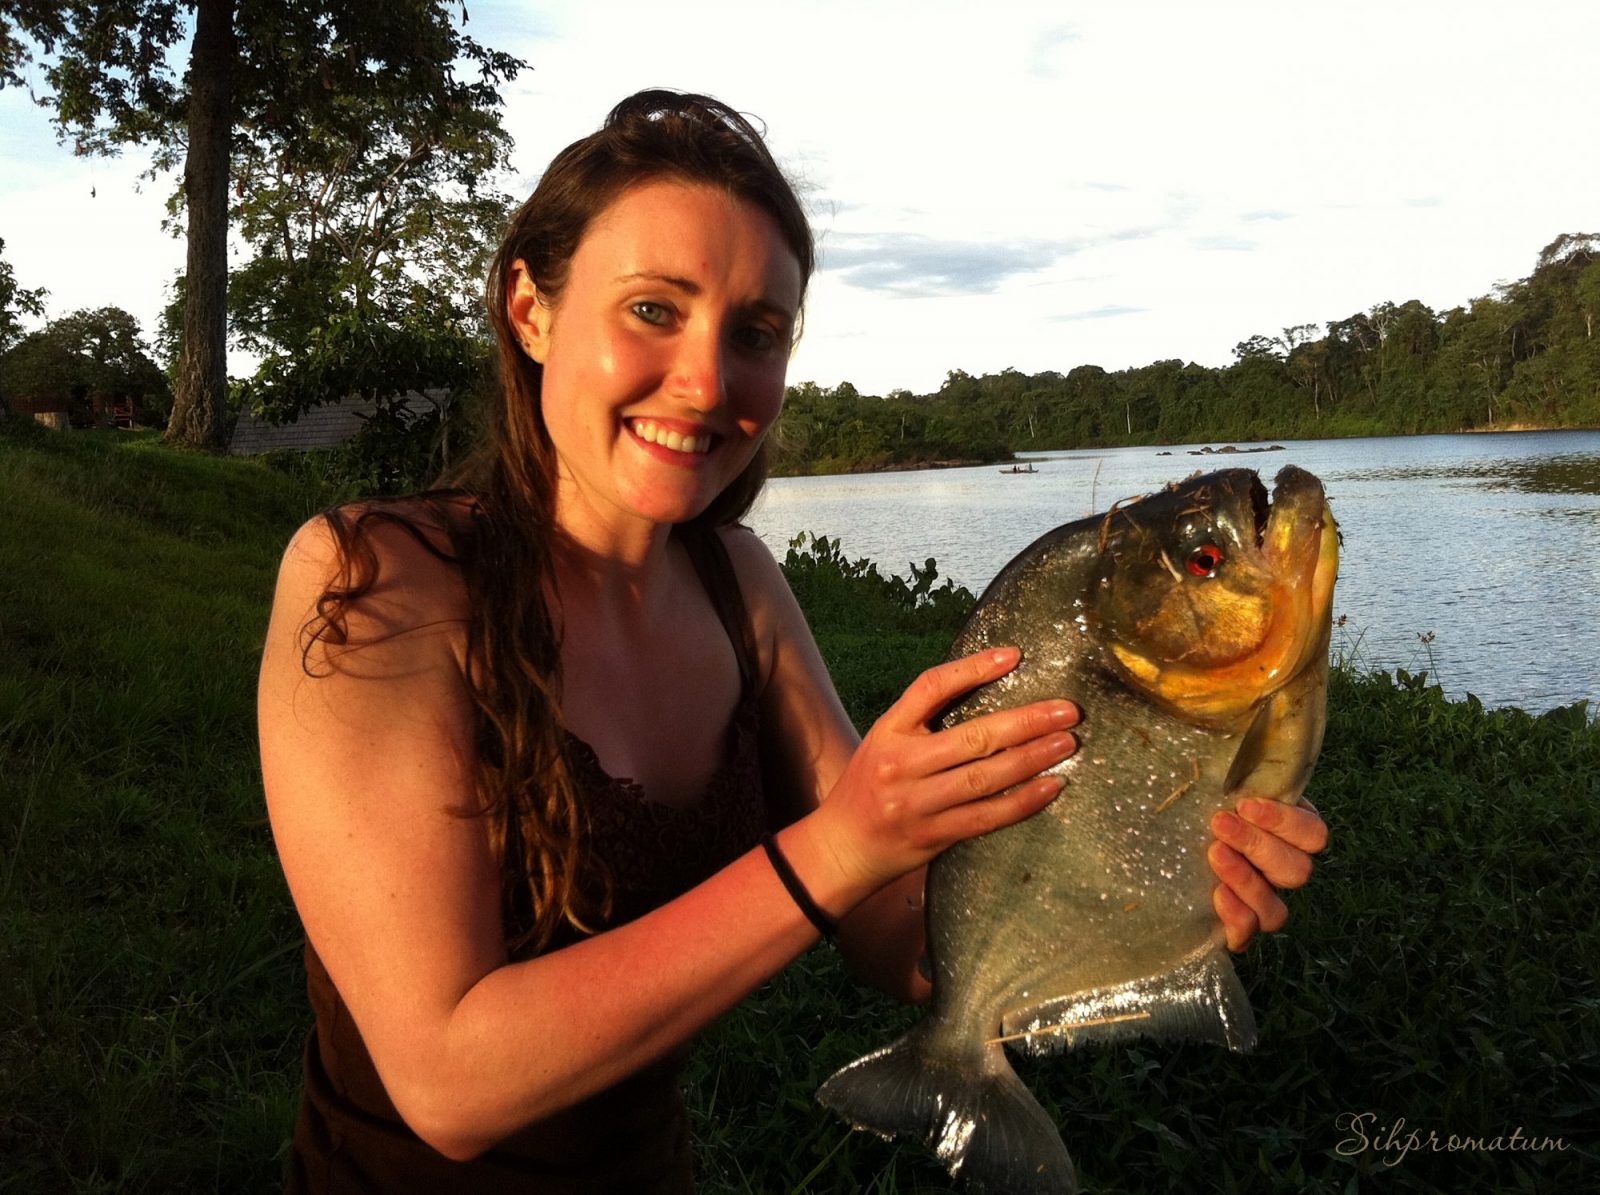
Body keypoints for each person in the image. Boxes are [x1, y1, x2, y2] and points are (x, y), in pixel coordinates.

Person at [258, 90, 1328, 1193]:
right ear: (530, 307)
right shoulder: (374, 581)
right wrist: (837, 844)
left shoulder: (739, 586)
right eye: (653, 310)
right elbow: (449, 1083)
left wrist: (1156, 877)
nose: (708, 381)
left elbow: (898, 933)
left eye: (755, 334)